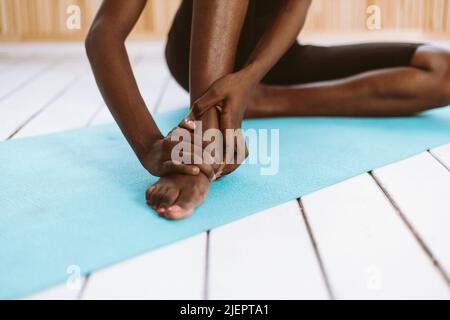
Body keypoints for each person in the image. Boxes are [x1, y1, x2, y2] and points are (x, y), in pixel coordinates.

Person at [86, 0, 450, 220]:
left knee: (442, 69)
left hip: (273, 59)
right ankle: (207, 143)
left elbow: (294, 7)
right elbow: (104, 34)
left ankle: (263, 100)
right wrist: (149, 145)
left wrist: (250, 78)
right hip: (195, 54)